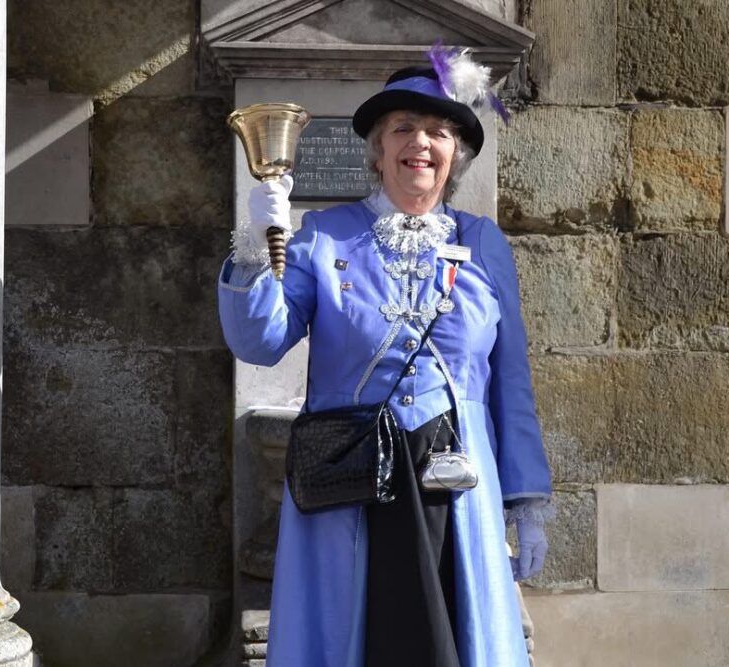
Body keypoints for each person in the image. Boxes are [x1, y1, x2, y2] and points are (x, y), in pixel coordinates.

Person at [218, 45, 553, 667]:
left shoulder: (485, 243)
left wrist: (527, 500)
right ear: (376, 150)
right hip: (352, 479)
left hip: (455, 483)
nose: (420, 143)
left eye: (438, 132)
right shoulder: (324, 233)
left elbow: (510, 379)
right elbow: (258, 342)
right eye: (403, 129)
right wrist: (252, 245)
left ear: (455, 155)